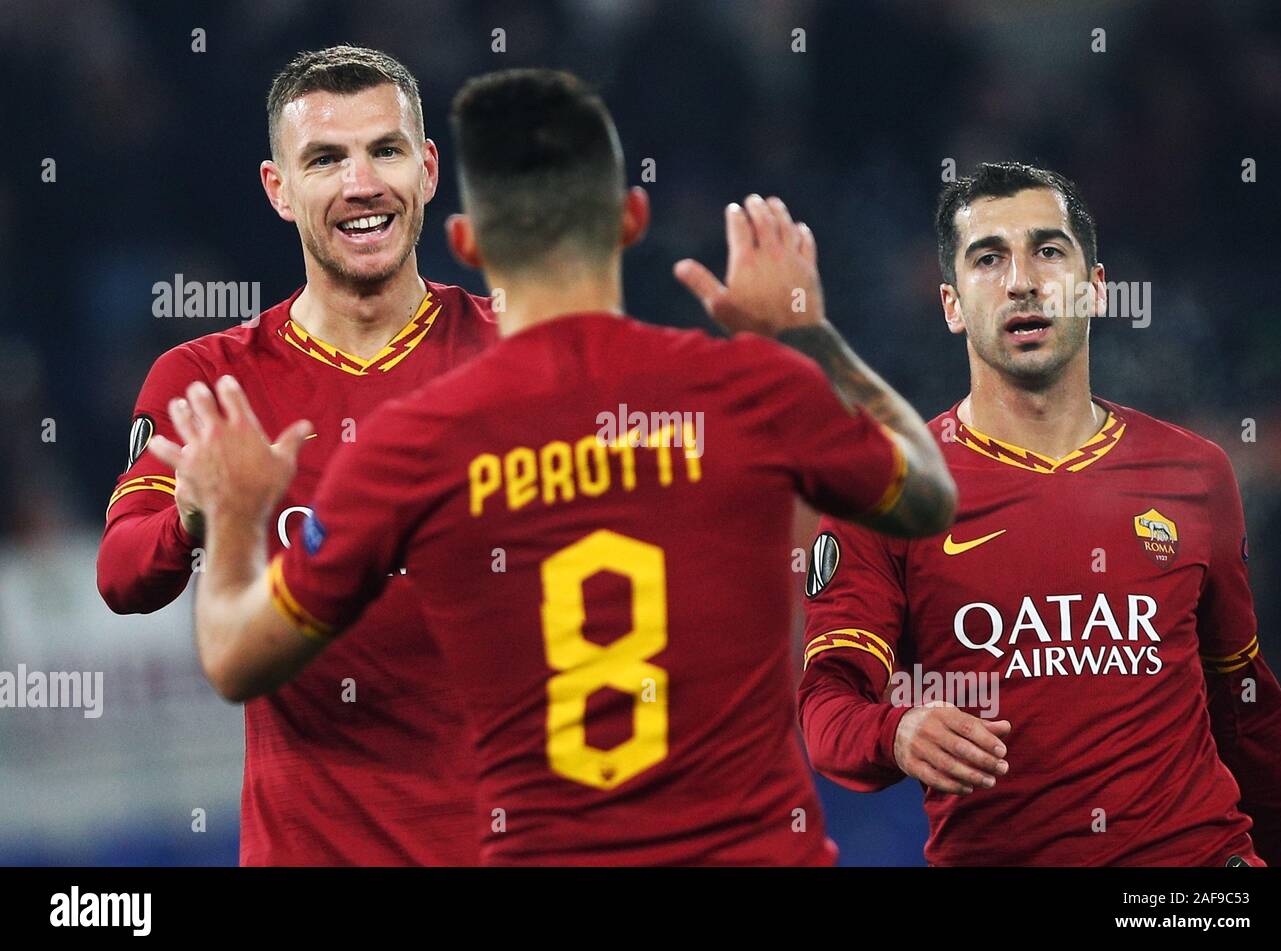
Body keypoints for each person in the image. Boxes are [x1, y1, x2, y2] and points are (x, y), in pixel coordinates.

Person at [149, 68, 956, 864]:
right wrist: (808, 336)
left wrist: (236, 515)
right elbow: (927, 495)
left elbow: (233, 657)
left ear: (466, 240)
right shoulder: (751, 389)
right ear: (633, 217)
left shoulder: (413, 448)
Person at [799, 161, 1281, 865]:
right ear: (951, 303)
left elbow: (1245, 705)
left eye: (1049, 250)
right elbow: (827, 705)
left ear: (1095, 289)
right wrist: (897, 732)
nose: (1022, 280)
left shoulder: (1196, 473)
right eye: (989, 258)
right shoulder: (887, 492)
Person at [97, 46, 497, 865]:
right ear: (279, 190)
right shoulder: (209, 379)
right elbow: (121, 574)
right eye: (325, 159)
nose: (361, 184)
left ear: (426, 170)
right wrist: (198, 511)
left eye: (384, 150)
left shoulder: (521, 354)